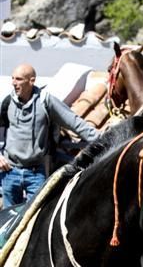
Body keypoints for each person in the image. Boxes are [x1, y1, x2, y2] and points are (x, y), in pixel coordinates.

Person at [0, 63, 99, 208]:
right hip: (9, 172)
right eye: (13, 78)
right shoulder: (8, 102)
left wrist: (107, 140)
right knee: (7, 221)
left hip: (35, 174)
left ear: (31, 80)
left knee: (35, 220)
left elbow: (75, 123)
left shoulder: (45, 101)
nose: (14, 83)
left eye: (19, 79)